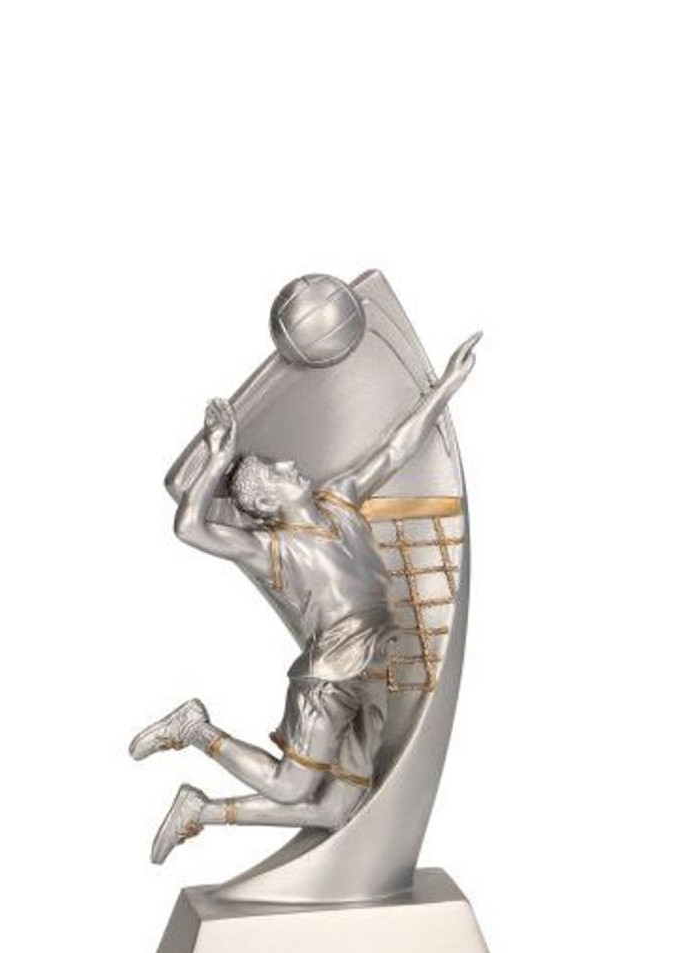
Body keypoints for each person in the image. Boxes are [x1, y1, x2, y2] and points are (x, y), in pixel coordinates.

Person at [129, 332, 479, 863]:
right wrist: (217, 461)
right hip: (331, 673)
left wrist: (446, 386)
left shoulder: (339, 499)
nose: (293, 467)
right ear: (266, 500)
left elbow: (395, 449)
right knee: (290, 786)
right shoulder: (272, 549)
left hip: (373, 669)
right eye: (278, 471)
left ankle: (201, 811)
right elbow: (190, 528)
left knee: (338, 810)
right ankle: (194, 728)